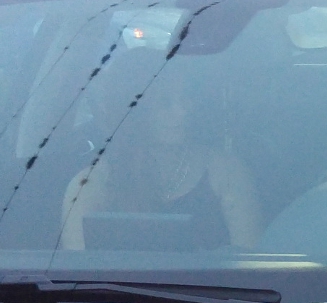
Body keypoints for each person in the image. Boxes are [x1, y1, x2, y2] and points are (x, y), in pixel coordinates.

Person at [60, 86, 262, 251]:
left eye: (186, 99)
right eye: (164, 102)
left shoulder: (226, 171)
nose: (182, 112)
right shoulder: (91, 183)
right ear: (136, 111)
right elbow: (78, 269)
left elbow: (248, 263)